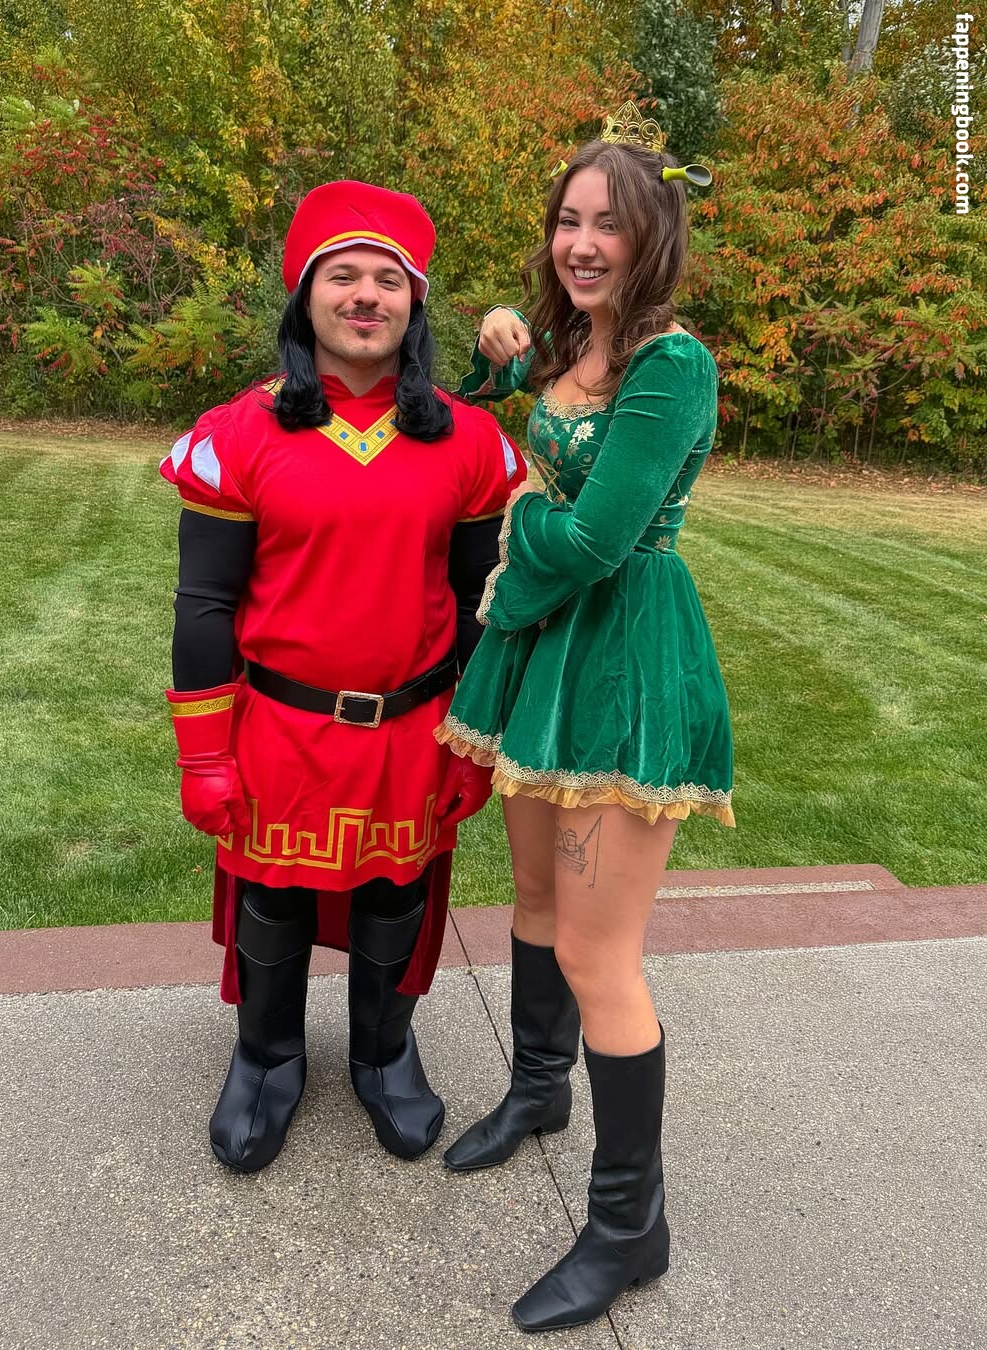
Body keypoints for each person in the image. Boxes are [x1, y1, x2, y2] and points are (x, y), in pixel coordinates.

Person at [434, 102, 734, 1333]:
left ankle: (627, 1229)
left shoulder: (671, 366)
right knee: (537, 904)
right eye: (569, 219)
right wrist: (495, 341)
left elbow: (600, 538)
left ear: (653, 234)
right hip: (553, 651)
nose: (584, 242)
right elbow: (475, 389)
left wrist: (516, 518)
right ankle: (538, 1089)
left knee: (600, 956)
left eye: (611, 222)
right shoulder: (573, 343)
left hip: (621, 655)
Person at [161, 180, 527, 1173]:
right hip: (279, 730)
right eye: (343, 275)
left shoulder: (467, 440)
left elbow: (483, 603)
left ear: (414, 304)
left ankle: (383, 1055)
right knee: (273, 898)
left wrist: (475, 740)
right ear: (305, 297)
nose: (366, 296)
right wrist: (204, 757)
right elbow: (205, 606)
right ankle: (266, 1060)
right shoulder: (239, 434)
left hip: (414, 728)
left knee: (394, 894)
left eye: (388, 280)